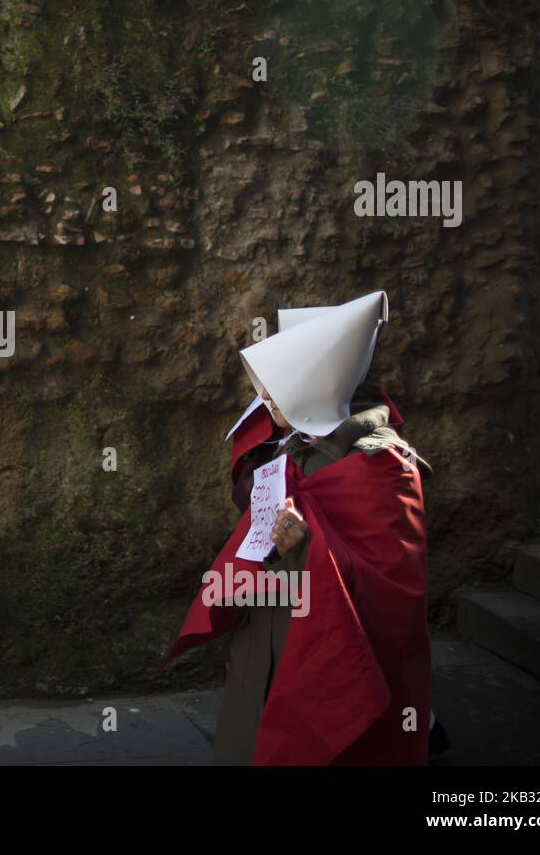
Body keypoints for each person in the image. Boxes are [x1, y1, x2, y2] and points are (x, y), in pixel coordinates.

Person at [163, 291, 434, 765]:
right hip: (264, 641)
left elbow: (390, 595)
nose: (264, 397)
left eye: (279, 383)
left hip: (319, 658)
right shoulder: (292, 445)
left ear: (316, 385)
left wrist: (305, 549)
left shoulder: (382, 467)